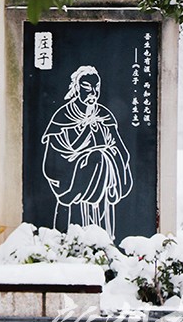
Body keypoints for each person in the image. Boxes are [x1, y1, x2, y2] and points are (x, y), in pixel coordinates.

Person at [41, 65, 133, 239]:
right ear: (76, 89)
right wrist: (86, 138)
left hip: (103, 184)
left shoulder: (104, 116)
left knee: (100, 157)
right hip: (73, 183)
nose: (92, 93)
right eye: (86, 88)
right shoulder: (63, 117)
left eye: (96, 88)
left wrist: (108, 156)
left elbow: (121, 150)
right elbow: (54, 159)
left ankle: (103, 244)